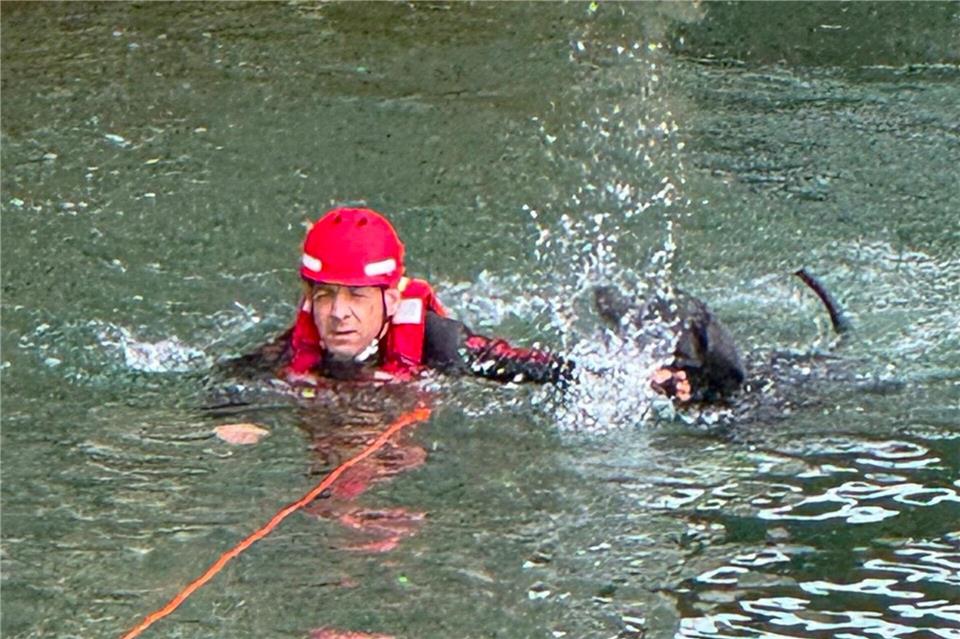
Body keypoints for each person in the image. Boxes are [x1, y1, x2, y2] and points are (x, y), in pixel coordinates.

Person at [229, 206, 745, 403]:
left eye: (356, 296)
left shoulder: (438, 342)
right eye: (325, 296)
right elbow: (226, 381)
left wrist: (633, 381)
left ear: (389, 298)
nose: (338, 313)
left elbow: (533, 366)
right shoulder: (295, 347)